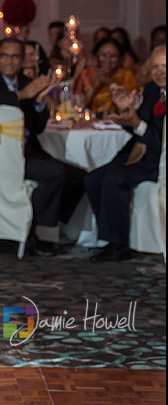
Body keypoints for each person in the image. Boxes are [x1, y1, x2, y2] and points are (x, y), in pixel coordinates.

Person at [0, 38, 82, 255]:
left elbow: (37, 128)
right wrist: (23, 95)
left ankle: (44, 222)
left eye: (15, 56)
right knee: (55, 174)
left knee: (78, 176)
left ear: (22, 60)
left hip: (27, 151)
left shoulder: (25, 81)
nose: (9, 61)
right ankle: (38, 235)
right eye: (4, 56)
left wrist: (40, 100)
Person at [85, 46, 166, 261]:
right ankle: (110, 236)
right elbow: (138, 126)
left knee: (115, 178)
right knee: (93, 179)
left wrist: (136, 122)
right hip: (140, 152)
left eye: (165, 66)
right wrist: (125, 112)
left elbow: (158, 140)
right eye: (156, 66)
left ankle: (118, 245)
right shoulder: (151, 90)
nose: (160, 71)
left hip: (160, 160)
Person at [74, 37, 140, 115]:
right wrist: (95, 86)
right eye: (103, 55)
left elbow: (133, 107)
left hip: (118, 122)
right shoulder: (86, 74)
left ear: (119, 59)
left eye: (113, 56)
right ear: (96, 56)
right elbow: (77, 106)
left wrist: (110, 83)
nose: (107, 60)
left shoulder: (127, 76)